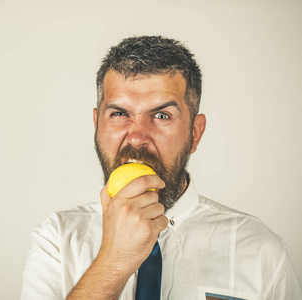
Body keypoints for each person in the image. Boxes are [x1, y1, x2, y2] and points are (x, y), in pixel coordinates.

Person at [21, 36, 302, 299]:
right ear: (97, 125)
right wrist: (113, 260)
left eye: (161, 115)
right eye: (119, 113)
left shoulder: (260, 250)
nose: (137, 136)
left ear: (195, 132)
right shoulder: (57, 239)